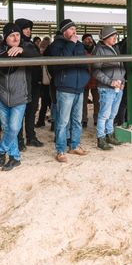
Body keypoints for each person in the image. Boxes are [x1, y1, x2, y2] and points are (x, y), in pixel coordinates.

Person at [0, 23, 39, 171]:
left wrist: (22, 51)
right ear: (5, 37)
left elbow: (37, 56)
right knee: (6, 128)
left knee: (14, 128)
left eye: (17, 34)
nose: (16, 38)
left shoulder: (27, 48)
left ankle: (1, 149)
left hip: (20, 96)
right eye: (12, 35)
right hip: (1, 96)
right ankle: (14, 157)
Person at [46, 19, 90, 163]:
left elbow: (83, 62)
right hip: (65, 87)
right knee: (63, 121)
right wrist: (71, 44)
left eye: (75, 29)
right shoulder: (56, 45)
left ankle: (74, 145)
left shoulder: (79, 44)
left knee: (77, 120)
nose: (74, 31)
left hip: (79, 87)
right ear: (64, 31)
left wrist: (85, 78)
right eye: (71, 29)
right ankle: (60, 150)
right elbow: (61, 61)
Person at [92, 26, 125, 150]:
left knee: (112, 114)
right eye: (112, 36)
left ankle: (109, 135)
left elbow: (121, 66)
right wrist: (110, 82)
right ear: (105, 37)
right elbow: (95, 71)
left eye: (115, 35)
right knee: (104, 115)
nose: (115, 38)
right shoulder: (99, 50)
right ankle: (100, 138)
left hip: (118, 87)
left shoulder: (115, 48)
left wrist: (122, 80)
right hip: (106, 88)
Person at [15, 18, 44, 149]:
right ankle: (19, 140)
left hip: (34, 83)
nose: (28, 31)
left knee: (32, 111)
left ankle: (31, 137)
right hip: (21, 84)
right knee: (20, 112)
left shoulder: (31, 44)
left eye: (29, 29)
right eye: (25, 29)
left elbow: (38, 59)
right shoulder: (16, 45)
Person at [81, 33, 99, 128]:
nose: (90, 40)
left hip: (95, 78)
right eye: (87, 39)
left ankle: (97, 118)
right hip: (84, 77)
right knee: (83, 101)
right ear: (83, 41)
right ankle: (84, 119)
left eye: (90, 39)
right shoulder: (80, 50)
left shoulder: (96, 50)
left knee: (97, 100)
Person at [36, 37, 52, 128]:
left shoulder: (40, 57)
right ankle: (52, 122)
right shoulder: (51, 55)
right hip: (49, 83)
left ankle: (41, 121)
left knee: (45, 103)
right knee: (50, 103)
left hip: (44, 83)